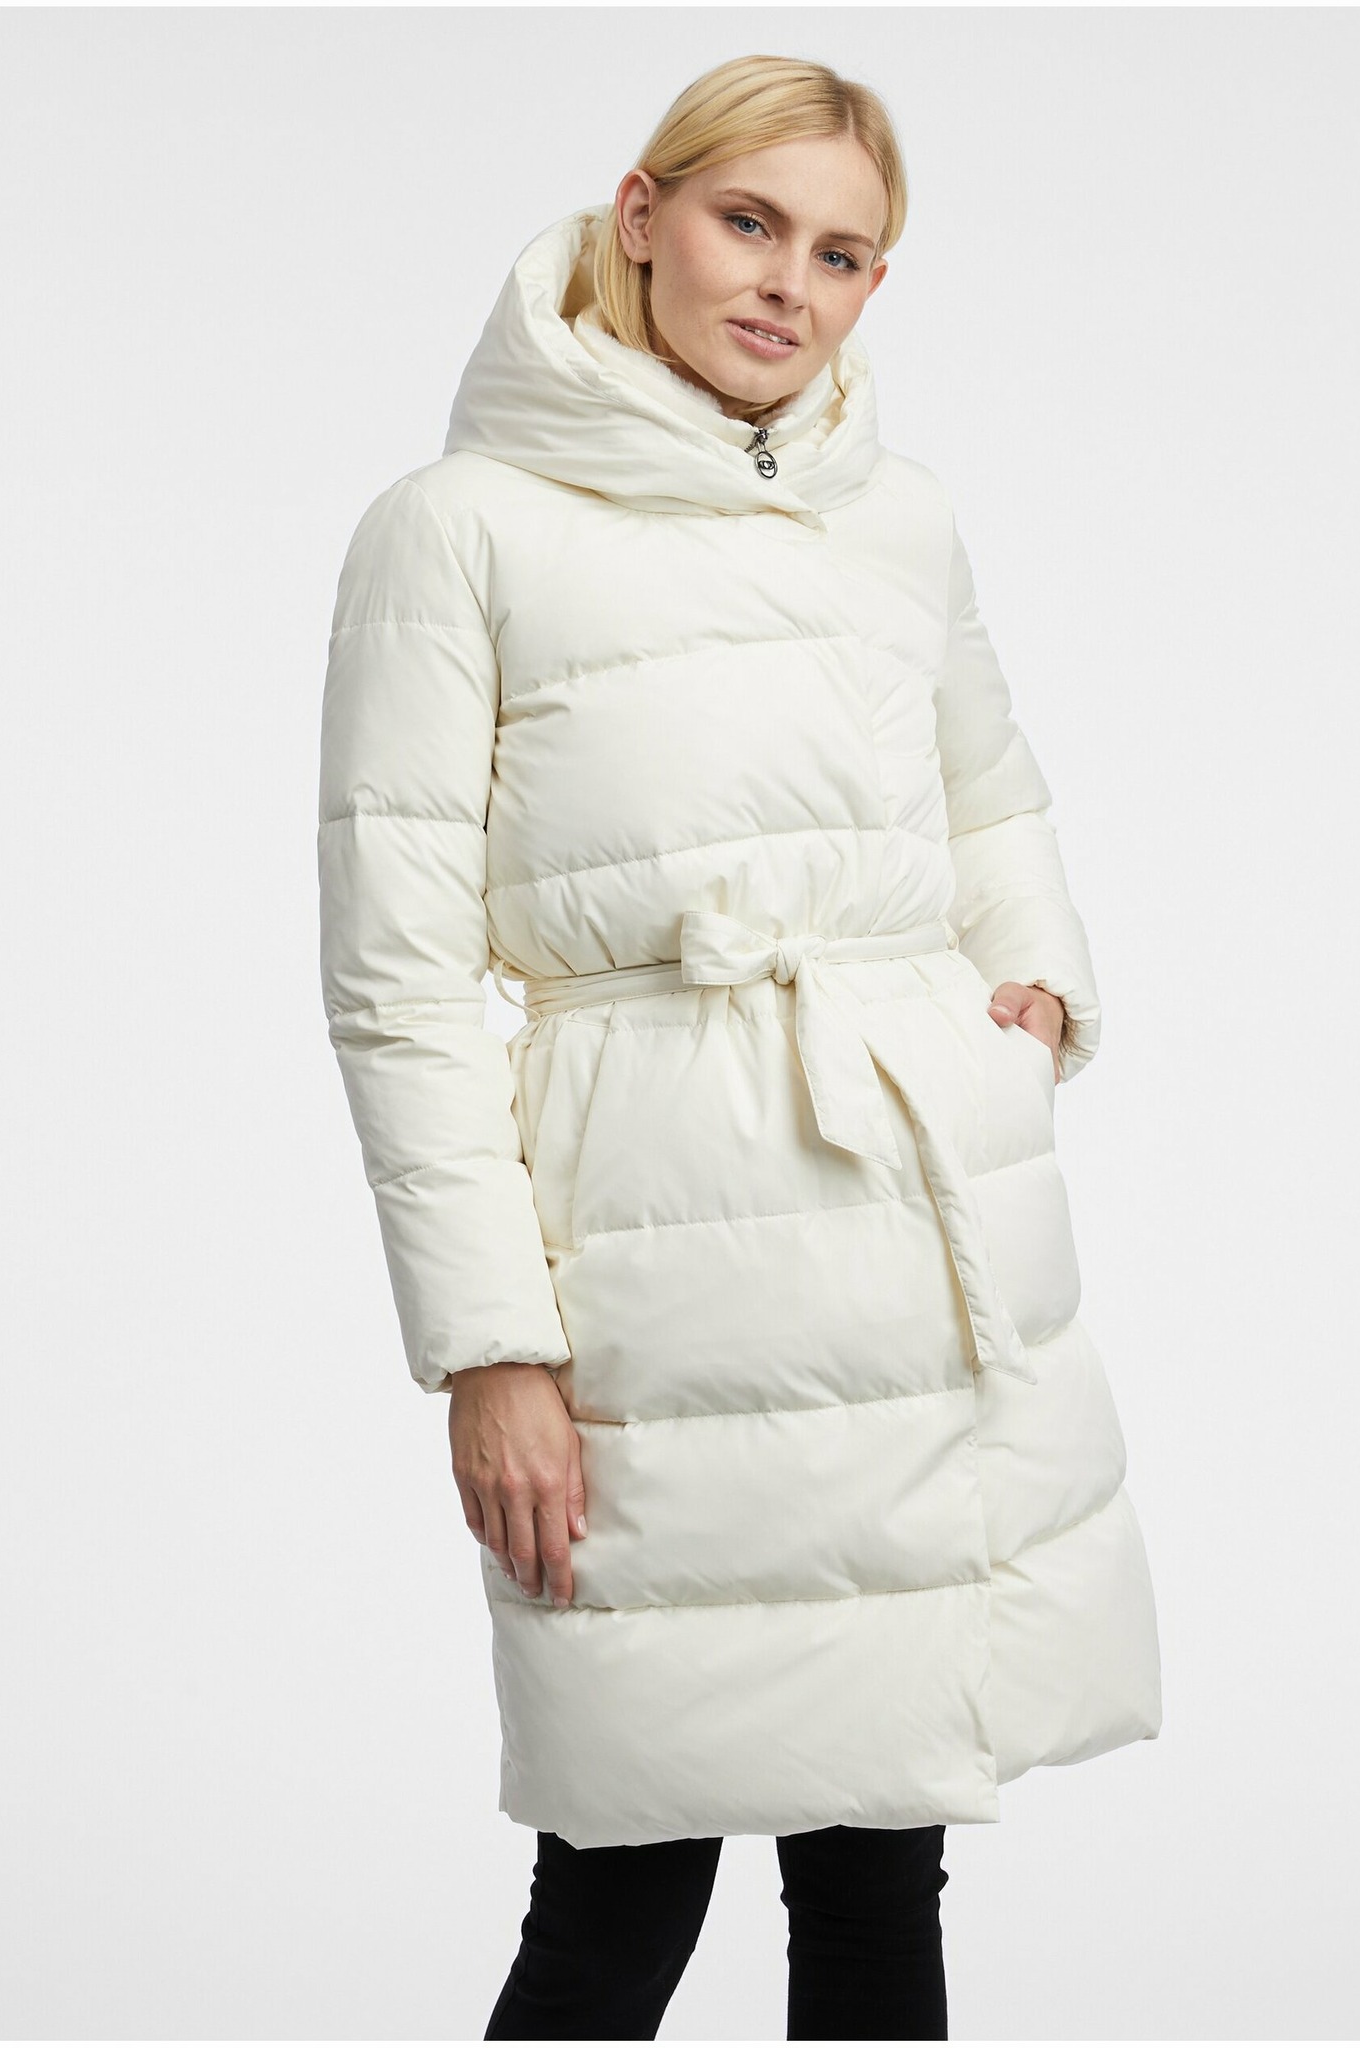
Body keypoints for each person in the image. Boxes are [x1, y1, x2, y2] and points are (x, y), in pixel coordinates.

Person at [317, 52, 1162, 2043]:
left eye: (842, 253)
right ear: (643, 213)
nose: (790, 282)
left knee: (884, 1873)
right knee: (619, 1889)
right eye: (749, 221)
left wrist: (1032, 993)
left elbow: (990, 789)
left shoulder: (900, 519)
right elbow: (396, 976)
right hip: (643, 1259)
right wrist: (492, 1348)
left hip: (906, 1237)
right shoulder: (458, 530)